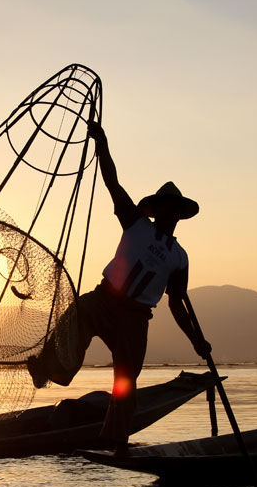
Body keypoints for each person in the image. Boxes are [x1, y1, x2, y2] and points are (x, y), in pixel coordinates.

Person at [27, 120, 212, 455]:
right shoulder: (135, 222)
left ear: (179, 214)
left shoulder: (179, 258)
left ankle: (112, 442)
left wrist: (198, 341)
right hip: (105, 298)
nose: (169, 211)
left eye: (174, 208)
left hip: (136, 318)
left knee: (126, 384)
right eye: (165, 206)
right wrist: (103, 143)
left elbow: (177, 303)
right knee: (77, 313)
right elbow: (111, 180)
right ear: (157, 210)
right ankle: (50, 369)